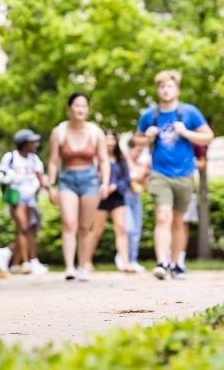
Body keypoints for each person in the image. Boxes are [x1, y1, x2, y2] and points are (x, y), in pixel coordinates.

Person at [136, 70, 213, 280]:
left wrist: (186, 132)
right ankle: (162, 262)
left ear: (177, 89)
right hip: (159, 173)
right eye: (161, 87)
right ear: (157, 90)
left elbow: (208, 137)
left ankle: (177, 263)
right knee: (163, 216)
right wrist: (147, 137)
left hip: (185, 173)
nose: (165, 90)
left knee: (178, 220)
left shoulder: (190, 113)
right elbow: (136, 141)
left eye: (169, 86)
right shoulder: (149, 116)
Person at [47, 92, 109, 281]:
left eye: (84, 106)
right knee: (69, 223)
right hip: (67, 180)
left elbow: (104, 160)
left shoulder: (95, 132)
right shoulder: (59, 132)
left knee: (84, 226)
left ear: (88, 109)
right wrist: (50, 186)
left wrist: (105, 183)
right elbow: (52, 161)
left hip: (90, 180)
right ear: (69, 108)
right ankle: (69, 267)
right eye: (76, 105)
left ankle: (83, 265)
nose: (80, 109)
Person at [0, 129, 49, 275]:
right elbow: (1, 173)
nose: (35, 145)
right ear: (24, 144)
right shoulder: (11, 157)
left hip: (31, 197)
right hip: (16, 196)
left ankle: (8, 254)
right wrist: (9, 177)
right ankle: (27, 262)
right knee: (23, 228)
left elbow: (41, 177)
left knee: (30, 229)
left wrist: (51, 192)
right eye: (32, 142)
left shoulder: (35, 159)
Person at [88, 130, 132, 272]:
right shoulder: (95, 158)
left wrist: (115, 186)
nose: (110, 142)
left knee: (121, 228)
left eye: (112, 139)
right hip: (99, 197)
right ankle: (86, 261)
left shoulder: (121, 159)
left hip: (117, 196)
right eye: (107, 139)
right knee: (96, 230)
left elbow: (126, 179)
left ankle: (125, 262)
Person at [176, 144, 207, 272]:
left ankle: (179, 259)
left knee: (183, 223)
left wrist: (188, 162)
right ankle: (166, 258)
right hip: (166, 184)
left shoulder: (192, 141)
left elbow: (203, 164)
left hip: (187, 187)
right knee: (166, 220)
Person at [124, 137, 150, 272]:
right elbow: (128, 178)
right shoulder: (123, 162)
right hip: (124, 198)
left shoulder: (140, 165)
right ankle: (123, 257)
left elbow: (144, 185)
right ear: (130, 148)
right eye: (137, 150)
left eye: (141, 151)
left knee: (137, 230)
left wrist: (144, 174)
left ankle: (133, 259)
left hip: (136, 197)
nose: (139, 154)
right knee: (129, 228)